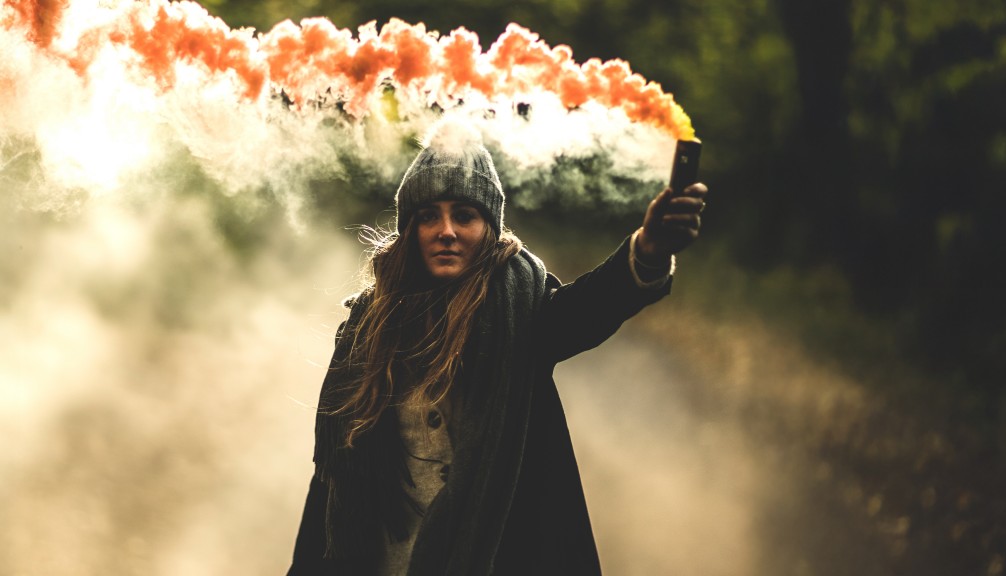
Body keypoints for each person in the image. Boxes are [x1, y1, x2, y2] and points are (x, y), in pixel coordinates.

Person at [287, 119, 708, 576]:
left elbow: (588, 308)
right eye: (429, 216)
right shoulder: (367, 329)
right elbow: (334, 476)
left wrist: (648, 249)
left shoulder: (522, 310)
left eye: (464, 215)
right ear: (411, 230)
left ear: (489, 227)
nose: (446, 230)